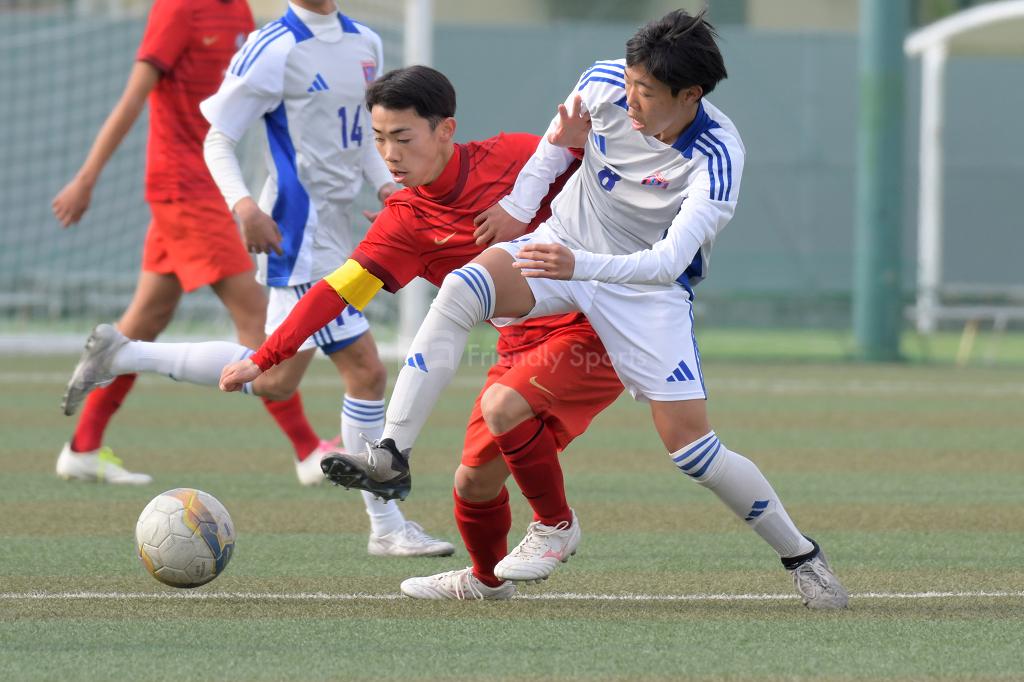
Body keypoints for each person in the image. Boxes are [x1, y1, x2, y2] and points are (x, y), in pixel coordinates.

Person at [243, 10, 851, 608]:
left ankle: (801, 555)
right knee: (462, 291)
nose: (630, 98)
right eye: (630, 81)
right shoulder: (606, 82)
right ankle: (391, 453)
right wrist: (518, 207)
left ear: (689, 95)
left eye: (646, 90)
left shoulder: (717, 158)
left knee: (693, 452)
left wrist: (578, 266)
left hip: (644, 292)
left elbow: (666, 264)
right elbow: (552, 149)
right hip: (565, 244)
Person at [60, 1, 453, 558]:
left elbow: (364, 138)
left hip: (340, 232)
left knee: (274, 378)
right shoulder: (274, 45)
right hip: (297, 233)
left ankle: (124, 355)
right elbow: (217, 137)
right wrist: (243, 205)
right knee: (364, 372)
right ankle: (387, 528)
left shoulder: (365, 41)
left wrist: (388, 190)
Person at [219, 65, 625, 600]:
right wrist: (268, 356)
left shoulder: (515, 155)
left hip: (594, 327)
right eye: (379, 138)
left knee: (512, 410)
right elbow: (335, 291)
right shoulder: (404, 221)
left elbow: (618, 182)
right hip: (520, 345)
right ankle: (487, 581)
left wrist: (583, 148)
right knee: (472, 483)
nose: (389, 154)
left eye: (403, 138)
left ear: (445, 131)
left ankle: (554, 524)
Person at [52, 0, 280, 485]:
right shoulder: (177, 9)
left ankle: (83, 447)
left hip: (212, 184)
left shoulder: (240, 11)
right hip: (182, 188)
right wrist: (86, 179)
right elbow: (133, 99)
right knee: (258, 322)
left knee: (144, 321)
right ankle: (307, 452)